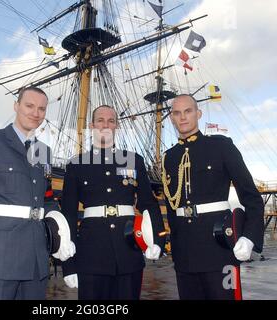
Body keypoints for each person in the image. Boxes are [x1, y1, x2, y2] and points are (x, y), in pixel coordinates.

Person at [0, 87, 75, 300]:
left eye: (41, 108)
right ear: (16, 106)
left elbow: (45, 200)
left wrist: (61, 234)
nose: (35, 113)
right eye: (29, 106)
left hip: (36, 259)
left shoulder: (43, 152)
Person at [162, 94, 264, 300]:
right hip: (185, 254)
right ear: (172, 118)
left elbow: (251, 196)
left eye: (188, 111)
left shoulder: (221, 147)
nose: (182, 117)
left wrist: (250, 237)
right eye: (177, 113)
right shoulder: (169, 157)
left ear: (198, 114)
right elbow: (171, 208)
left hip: (220, 248)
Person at [61, 105, 166, 300]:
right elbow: (68, 214)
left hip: (128, 252)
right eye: (100, 120)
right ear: (92, 126)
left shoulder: (134, 161)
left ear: (117, 126)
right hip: (91, 254)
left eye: (111, 121)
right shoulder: (76, 165)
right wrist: (68, 264)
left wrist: (158, 240)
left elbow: (148, 204)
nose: (105, 125)